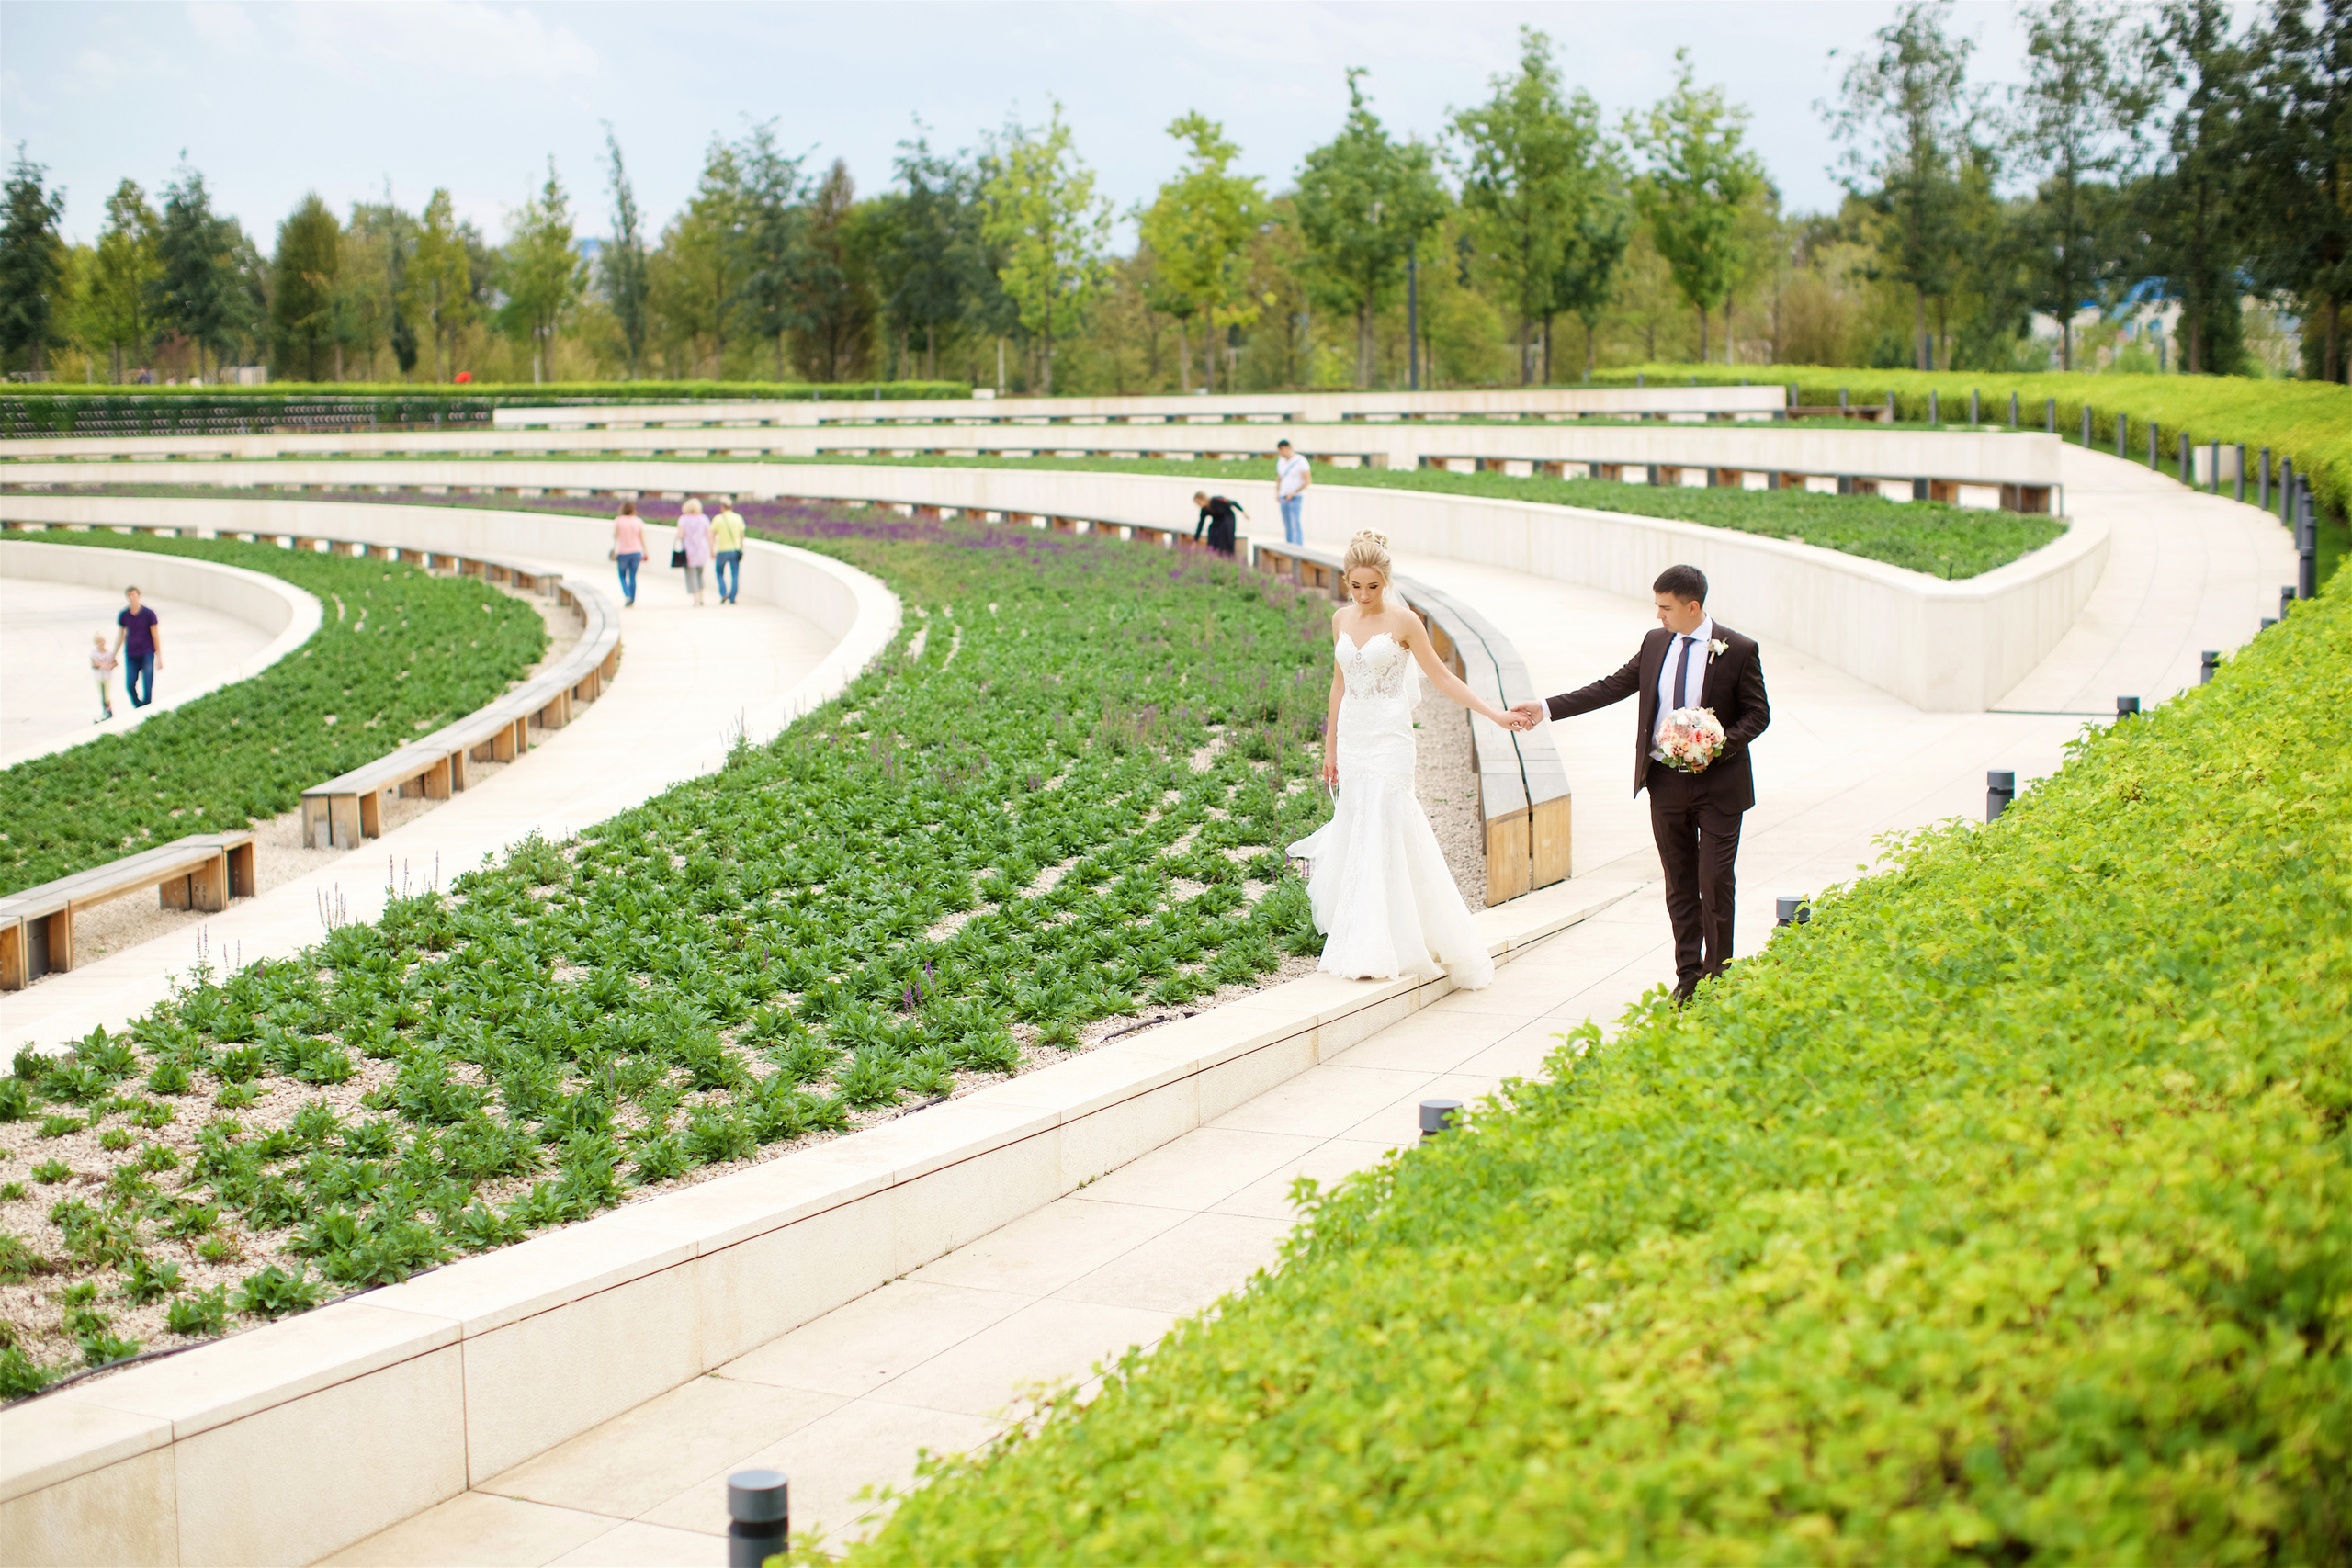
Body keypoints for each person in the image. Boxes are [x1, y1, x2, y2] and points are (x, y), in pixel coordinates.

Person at [1510, 564, 1770, 1004]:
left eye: (1665, 608)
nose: (1658, 616)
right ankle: (1688, 978)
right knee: (1680, 883)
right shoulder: (1656, 644)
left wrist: (1716, 743)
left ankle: (1718, 977)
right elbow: (1612, 686)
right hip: (1665, 783)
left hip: (1719, 784)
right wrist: (1546, 708)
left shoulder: (1738, 648)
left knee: (1715, 880)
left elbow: (1757, 714)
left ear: (1693, 607)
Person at [1287, 532, 1533, 988]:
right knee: (1359, 827)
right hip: (1355, 736)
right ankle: (1362, 938)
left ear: (1386, 581)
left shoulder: (1405, 622)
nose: (1363, 596)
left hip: (1390, 739)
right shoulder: (1340, 619)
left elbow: (1441, 677)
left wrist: (1495, 715)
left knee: (1386, 822)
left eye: (1373, 587)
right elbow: (1338, 686)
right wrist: (1330, 747)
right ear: (1347, 581)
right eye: (1356, 586)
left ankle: (1393, 941)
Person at [112, 586, 161, 708]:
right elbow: (121, 636)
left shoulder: (149, 614)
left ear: (138, 596)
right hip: (131, 654)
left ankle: (147, 708)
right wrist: (113, 655)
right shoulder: (124, 615)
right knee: (130, 684)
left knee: (147, 683)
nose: (133, 597)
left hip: (147, 652)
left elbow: (155, 635)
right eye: (130, 595)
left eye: (134, 595)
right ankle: (139, 706)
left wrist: (159, 657)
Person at [675, 498, 713, 607]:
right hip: (702, 550)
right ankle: (701, 595)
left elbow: (680, 535)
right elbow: (709, 535)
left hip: (689, 551)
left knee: (691, 574)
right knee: (700, 573)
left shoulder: (683, 519)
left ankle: (696, 598)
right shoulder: (704, 519)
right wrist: (712, 549)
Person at [709, 498, 746, 604]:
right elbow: (742, 535)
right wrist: (741, 548)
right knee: (735, 574)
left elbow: (712, 535)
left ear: (722, 508)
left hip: (722, 550)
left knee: (719, 573)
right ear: (732, 508)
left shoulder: (718, 519)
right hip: (735, 550)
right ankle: (733, 597)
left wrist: (712, 549)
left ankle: (723, 593)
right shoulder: (738, 518)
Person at [1274, 439, 1311, 547]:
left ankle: (1298, 548)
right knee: (1287, 525)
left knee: (1295, 524)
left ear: (1287, 448)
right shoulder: (1281, 462)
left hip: (1295, 497)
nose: (1280, 453)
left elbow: (1307, 480)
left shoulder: (1301, 461)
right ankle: (1289, 547)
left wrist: (1293, 493)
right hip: (1283, 497)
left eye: (1281, 450)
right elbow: (1279, 478)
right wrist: (1277, 492)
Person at [610, 501, 646, 607]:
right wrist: (646, 551)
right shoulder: (638, 521)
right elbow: (642, 538)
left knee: (622, 576)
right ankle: (633, 599)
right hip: (636, 552)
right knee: (633, 576)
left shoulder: (619, 521)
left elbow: (615, 536)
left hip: (623, 553)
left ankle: (628, 596)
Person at [1192, 491, 1244, 558]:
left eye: (1199, 503)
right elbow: (1201, 524)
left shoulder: (1215, 501)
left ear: (1203, 499)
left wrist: (1243, 512)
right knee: (1212, 530)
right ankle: (1213, 552)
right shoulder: (1204, 510)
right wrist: (1195, 540)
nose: (1199, 505)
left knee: (1225, 536)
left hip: (1228, 517)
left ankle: (1228, 555)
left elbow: (1232, 503)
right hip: (1218, 521)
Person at [91, 633, 118, 721]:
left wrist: (109, 666)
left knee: (106, 695)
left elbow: (115, 663)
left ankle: (108, 711)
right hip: (99, 677)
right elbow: (93, 664)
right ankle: (105, 711)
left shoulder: (109, 653)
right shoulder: (94, 653)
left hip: (107, 676)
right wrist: (101, 666)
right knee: (102, 695)